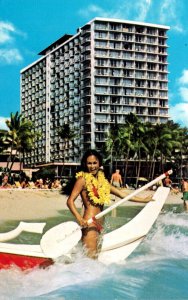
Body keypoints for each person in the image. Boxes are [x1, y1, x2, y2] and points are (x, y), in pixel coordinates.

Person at [66, 149, 152, 259]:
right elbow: (70, 201)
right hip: (90, 223)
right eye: (89, 163)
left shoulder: (103, 182)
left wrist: (144, 200)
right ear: (85, 164)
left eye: (94, 163)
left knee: (94, 258)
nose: (92, 166)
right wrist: (79, 218)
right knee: (90, 261)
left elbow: (123, 194)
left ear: (99, 163)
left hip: (100, 223)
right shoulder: (82, 180)